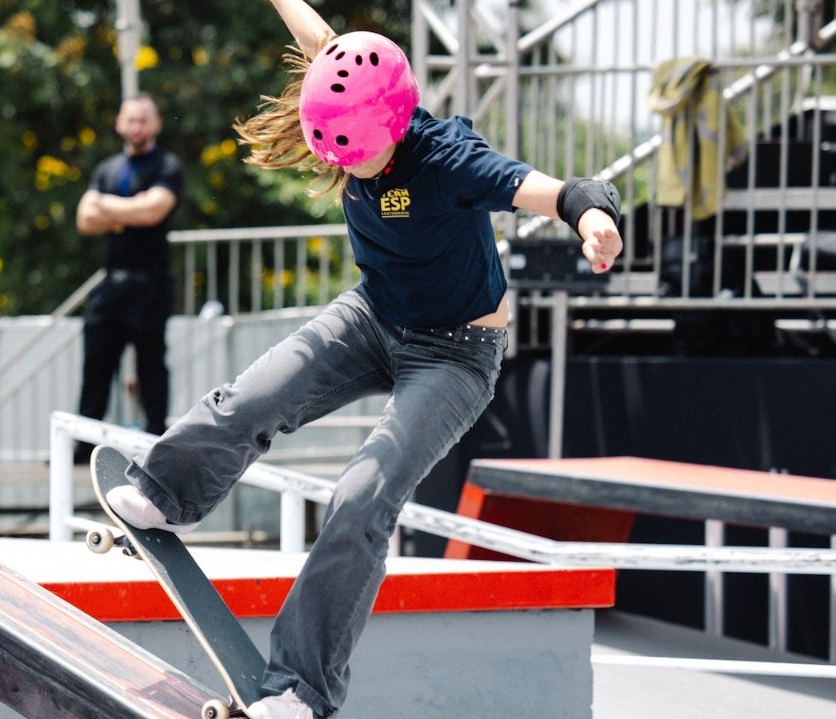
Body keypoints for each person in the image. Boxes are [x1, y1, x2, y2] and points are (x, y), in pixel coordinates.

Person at [104, 1, 624, 717]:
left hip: (455, 355)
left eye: (356, 155)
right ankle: (170, 491)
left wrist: (592, 215)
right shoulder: (349, 88)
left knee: (360, 497)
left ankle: (303, 686)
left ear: (392, 125)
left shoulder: (447, 157)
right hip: (374, 314)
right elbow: (321, 40)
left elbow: (552, 190)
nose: (345, 168)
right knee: (257, 394)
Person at [74, 94, 184, 462]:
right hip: (112, 282)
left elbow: (153, 211)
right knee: (96, 365)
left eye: (143, 120)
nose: (136, 127)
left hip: (151, 282)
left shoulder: (167, 166)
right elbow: (84, 220)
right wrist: (130, 210)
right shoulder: (106, 169)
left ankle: (156, 439)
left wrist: (107, 206)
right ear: (120, 124)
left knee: (151, 364)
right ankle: (82, 445)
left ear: (155, 124)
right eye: (130, 120)